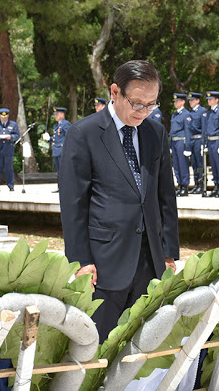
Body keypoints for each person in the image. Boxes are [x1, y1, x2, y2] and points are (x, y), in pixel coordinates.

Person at [59, 60, 179, 341]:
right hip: (104, 265)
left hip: (149, 262)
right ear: (115, 92)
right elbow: (74, 204)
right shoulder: (84, 134)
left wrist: (169, 251)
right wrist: (81, 261)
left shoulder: (155, 133)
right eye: (137, 103)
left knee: (137, 352)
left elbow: (165, 197)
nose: (143, 112)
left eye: (151, 105)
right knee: (96, 347)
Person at [0, 108, 20, 192]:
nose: (3, 118)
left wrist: (11, 137)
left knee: (9, 168)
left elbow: (17, 135)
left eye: (5, 117)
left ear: (8, 116)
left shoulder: (13, 124)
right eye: (2, 117)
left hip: (8, 149)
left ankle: (11, 186)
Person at [170, 93, 192, 196]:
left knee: (183, 164)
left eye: (177, 101)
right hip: (174, 141)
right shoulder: (174, 114)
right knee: (176, 165)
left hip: (181, 141)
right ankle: (179, 184)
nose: (175, 103)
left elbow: (188, 131)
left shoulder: (186, 114)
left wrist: (188, 146)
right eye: (174, 101)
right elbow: (172, 130)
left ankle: (185, 186)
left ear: (183, 102)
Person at [205, 91, 219, 197]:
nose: (209, 101)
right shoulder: (209, 113)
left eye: (211, 99)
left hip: (217, 141)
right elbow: (206, 129)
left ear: (217, 100)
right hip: (210, 141)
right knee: (213, 165)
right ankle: (216, 185)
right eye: (208, 99)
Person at [187, 92, 207, 194]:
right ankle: (196, 183)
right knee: (194, 163)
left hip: (199, 139)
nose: (190, 102)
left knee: (199, 163)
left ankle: (201, 183)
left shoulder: (202, 111)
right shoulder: (190, 112)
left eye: (192, 100)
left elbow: (204, 128)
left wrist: (204, 142)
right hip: (192, 140)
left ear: (198, 100)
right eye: (190, 100)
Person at [50, 107, 71, 193]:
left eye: (57, 114)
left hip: (62, 150)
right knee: (59, 171)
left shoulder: (65, 124)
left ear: (62, 114)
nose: (56, 116)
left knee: (63, 171)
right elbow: (57, 138)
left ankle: (65, 187)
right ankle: (60, 187)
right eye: (55, 114)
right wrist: (49, 138)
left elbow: (69, 136)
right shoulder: (57, 125)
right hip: (56, 151)